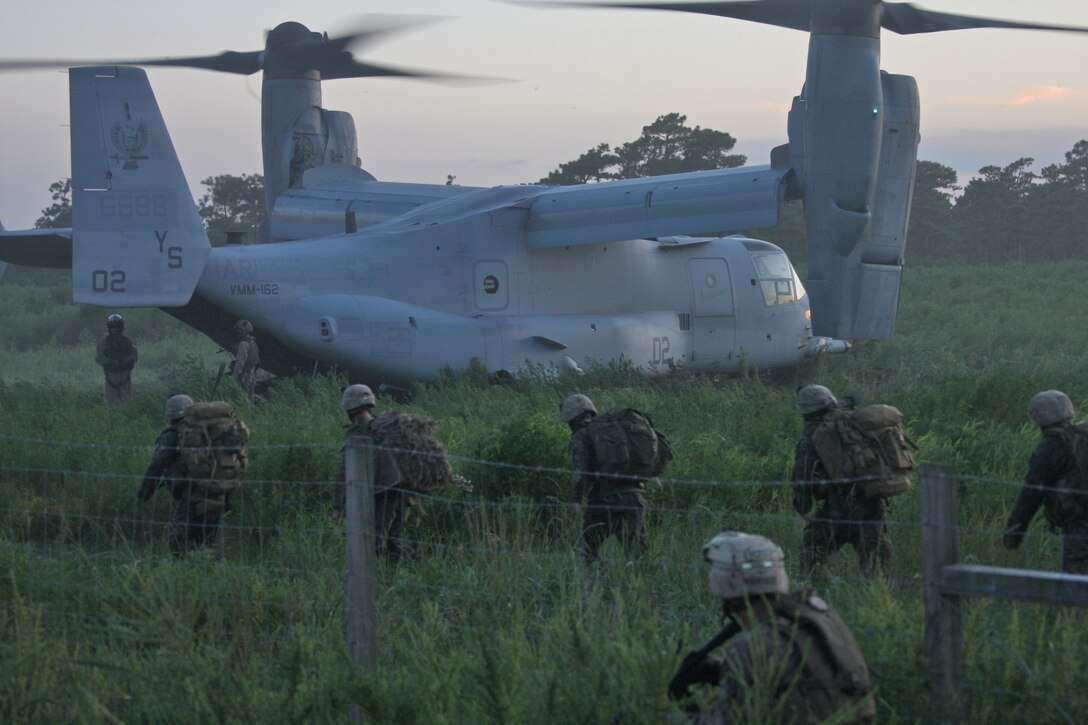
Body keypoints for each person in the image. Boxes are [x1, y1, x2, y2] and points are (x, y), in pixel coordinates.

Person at [668, 529, 876, 724]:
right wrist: (721, 671)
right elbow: (803, 676)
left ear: (724, 580)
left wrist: (682, 710)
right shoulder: (818, 616)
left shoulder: (751, 645)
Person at [792, 385, 892, 578]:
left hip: (838, 507)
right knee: (875, 564)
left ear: (805, 413)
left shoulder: (812, 436)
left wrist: (802, 503)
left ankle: (812, 589)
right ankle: (882, 600)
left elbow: (802, 474)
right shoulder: (852, 423)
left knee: (812, 550)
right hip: (873, 501)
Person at [137, 394, 247, 554]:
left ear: (170, 414)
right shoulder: (212, 432)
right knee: (206, 543)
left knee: (177, 543)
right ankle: (206, 569)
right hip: (219, 493)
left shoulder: (173, 435)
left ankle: (183, 572)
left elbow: (157, 464)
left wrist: (145, 492)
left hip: (191, 496)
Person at [1003, 390, 1088, 574]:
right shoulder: (1082, 436)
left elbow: (1032, 492)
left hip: (1079, 525)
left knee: (1076, 589)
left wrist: (1015, 530)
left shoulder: (1051, 447)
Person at [559, 393, 649, 564]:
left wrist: (576, 501)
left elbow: (580, 472)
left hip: (603, 500)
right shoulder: (613, 430)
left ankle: (596, 582)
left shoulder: (581, 436)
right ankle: (636, 585)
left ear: (572, 419)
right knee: (637, 554)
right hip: (633, 496)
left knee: (587, 551)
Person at [335, 384, 413, 562]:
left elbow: (344, 471)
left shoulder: (356, 433)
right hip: (403, 490)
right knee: (395, 538)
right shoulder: (388, 425)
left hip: (384, 491)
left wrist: (338, 506)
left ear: (350, 407)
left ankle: (375, 575)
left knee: (376, 536)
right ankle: (399, 573)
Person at [94, 313, 138, 405]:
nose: (116, 330)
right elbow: (98, 358)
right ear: (110, 328)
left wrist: (127, 360)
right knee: (112, 403)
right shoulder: (104, 342)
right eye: (114, 327)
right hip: (111, 376)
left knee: (126, 402)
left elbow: (134, 355)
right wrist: (111, 362)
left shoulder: (127, 341)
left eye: (117, 327)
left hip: (125, 375)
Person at [230, 319, 260, 402]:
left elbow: (240, 363)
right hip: (252, 375)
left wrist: (234, 377)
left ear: (243, 332)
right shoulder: (253, 343)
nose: (237, 333)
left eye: (238, 331)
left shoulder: (243, 344)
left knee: (243, 399)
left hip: (245, 376)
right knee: (250, 399)